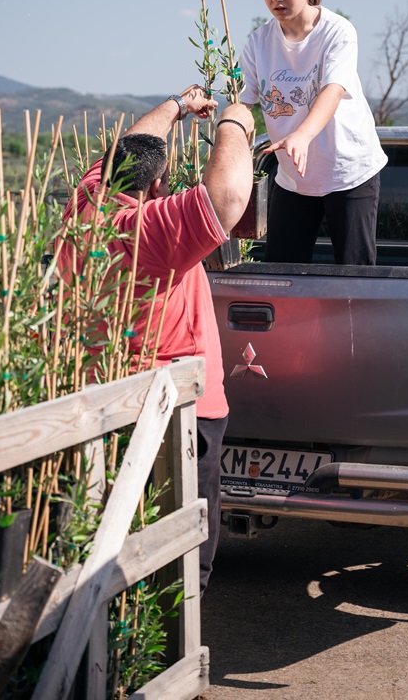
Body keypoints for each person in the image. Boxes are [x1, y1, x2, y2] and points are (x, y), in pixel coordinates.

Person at [58, 85, 255, 594]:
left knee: (114, 532)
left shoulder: (85, 205)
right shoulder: (149, 232)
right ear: (159, 184)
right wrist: (236, 124)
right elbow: (228, 198)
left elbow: (131, 149)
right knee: (183, 554)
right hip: (177, 410)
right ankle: (165, 662)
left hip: (105, 397)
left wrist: (175, 106)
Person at [240, 0, 387, 265]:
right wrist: (228, 130)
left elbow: (332, 90)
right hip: (293, 178)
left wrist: (302, 135)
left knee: (354, 282)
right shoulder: (258, 43)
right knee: (280, 275)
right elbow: (244, 103)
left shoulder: (339, 32)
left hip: (348, 172)